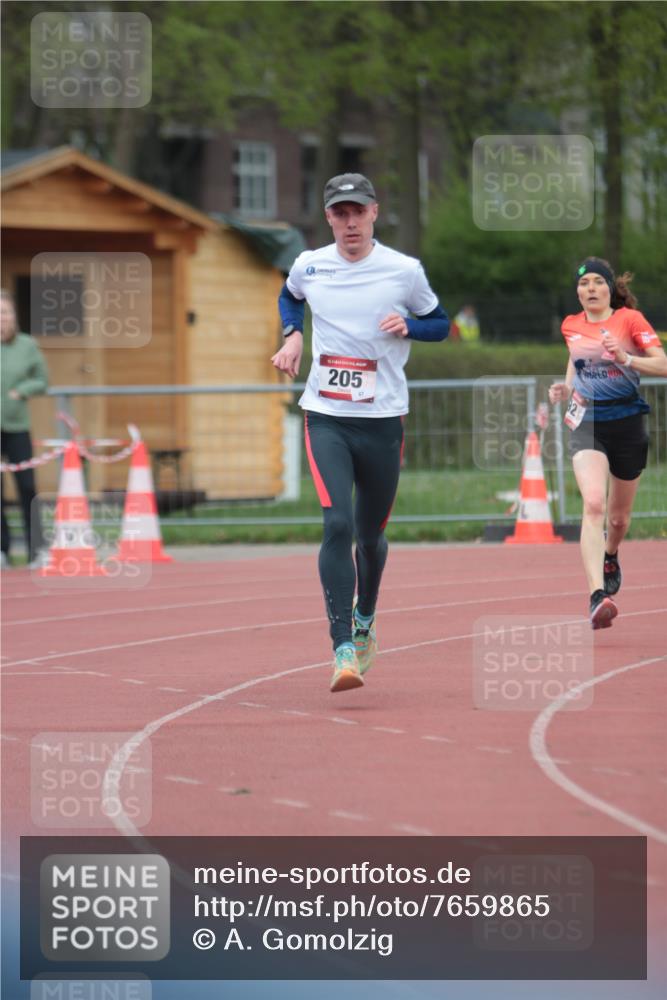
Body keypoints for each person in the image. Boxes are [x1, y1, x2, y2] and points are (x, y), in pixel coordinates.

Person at [271, 173, 449, 692]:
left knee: (370, 538)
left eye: (358, 211)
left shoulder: (403, 270)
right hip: (326, 414)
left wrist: (410, 326)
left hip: (383, 420)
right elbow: (289, 296)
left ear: (375, 212)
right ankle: (342, 646)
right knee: (338, 525)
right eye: (339, 213)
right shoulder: (311, 264)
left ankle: (366, 618)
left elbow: (439, 323)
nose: (349, 222)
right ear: (328, 217)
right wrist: (292, 335)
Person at [548, 257, 667, 629]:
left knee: (617, 519)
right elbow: (575, 359)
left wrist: (626, 357)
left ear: (610, 288)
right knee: (594, 503)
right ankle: (598, 595)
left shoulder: (630, 321)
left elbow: (662, 363)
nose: (590, 289)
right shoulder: (571, 325)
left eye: (598, 282)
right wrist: (566, 388)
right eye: (584, 284)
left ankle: (611, 554)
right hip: (588, 421)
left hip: (628, 421)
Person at [1, 289, 49, 567]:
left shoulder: (27, 345)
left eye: (5, 313)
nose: (1, 319)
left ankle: (36, 550)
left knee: (27, 486)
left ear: (14, 316)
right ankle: (2, 549)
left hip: (17, 426)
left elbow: (42, 380)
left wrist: (22, 390)